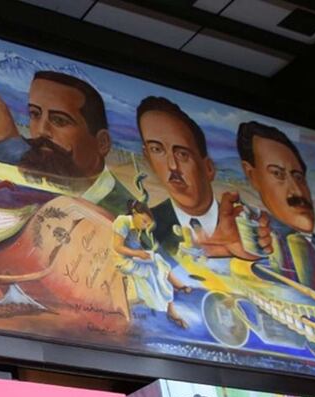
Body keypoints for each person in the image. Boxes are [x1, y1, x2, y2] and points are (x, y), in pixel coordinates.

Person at [136, 96, 267, 260]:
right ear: (147, 157)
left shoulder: (242, 227)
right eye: (156, 149)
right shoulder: (145, 228)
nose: (172, 166)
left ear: (209, 168)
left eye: (182, 154)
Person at [238, 121, 315, 296]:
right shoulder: (259, 243)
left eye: (298, 177)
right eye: (277, 174)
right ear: (252, 175)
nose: (297, 191)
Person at [18, 71, 133, 213]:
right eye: (35, 114)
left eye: (59, 120)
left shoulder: (130, 217)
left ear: (102, 143)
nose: (42, 131)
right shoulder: (33, 193)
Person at [111, 199, 190, 328]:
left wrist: (143, 254)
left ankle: (176, 289)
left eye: (147, 223)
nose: (145, 225)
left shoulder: (136, 229)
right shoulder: (122, 221)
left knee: (158, 259)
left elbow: (135, 247)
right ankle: (171, 308)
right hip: (122, 261)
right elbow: (117, 247)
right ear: (135, 213)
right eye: (144, 221)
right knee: (153, 272)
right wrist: (139, 254)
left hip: (133, 257)